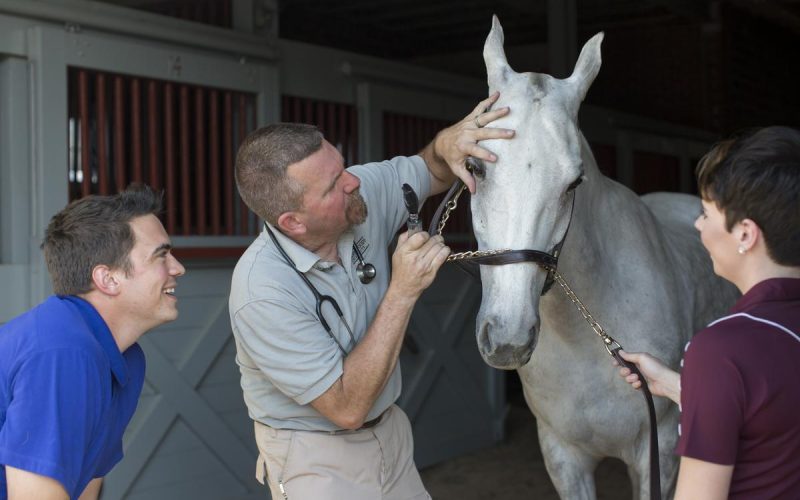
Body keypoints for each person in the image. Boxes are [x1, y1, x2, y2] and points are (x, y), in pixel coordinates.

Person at [229, 92, 513, 499]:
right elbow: (346, 408)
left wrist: (448, 142)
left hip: (391, 436)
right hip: (315, 456)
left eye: (342, 165)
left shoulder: (357, 196)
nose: (353, 181)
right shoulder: (262, 292)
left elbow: (431, 167)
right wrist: (402, 291)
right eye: (334, 185)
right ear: (293, 222)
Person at [615, 126, 800, 499]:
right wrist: (676, 385)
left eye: (705, 213)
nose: (698, 225)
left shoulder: (721, 351)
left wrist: (706, 375)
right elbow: (774, 416)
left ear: (745, 234)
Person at [0, 185, 185, 500]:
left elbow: (85, 479)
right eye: (161, 256)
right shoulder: (62, 352)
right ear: (108, 279)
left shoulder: (125, 357)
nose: (178, 268)